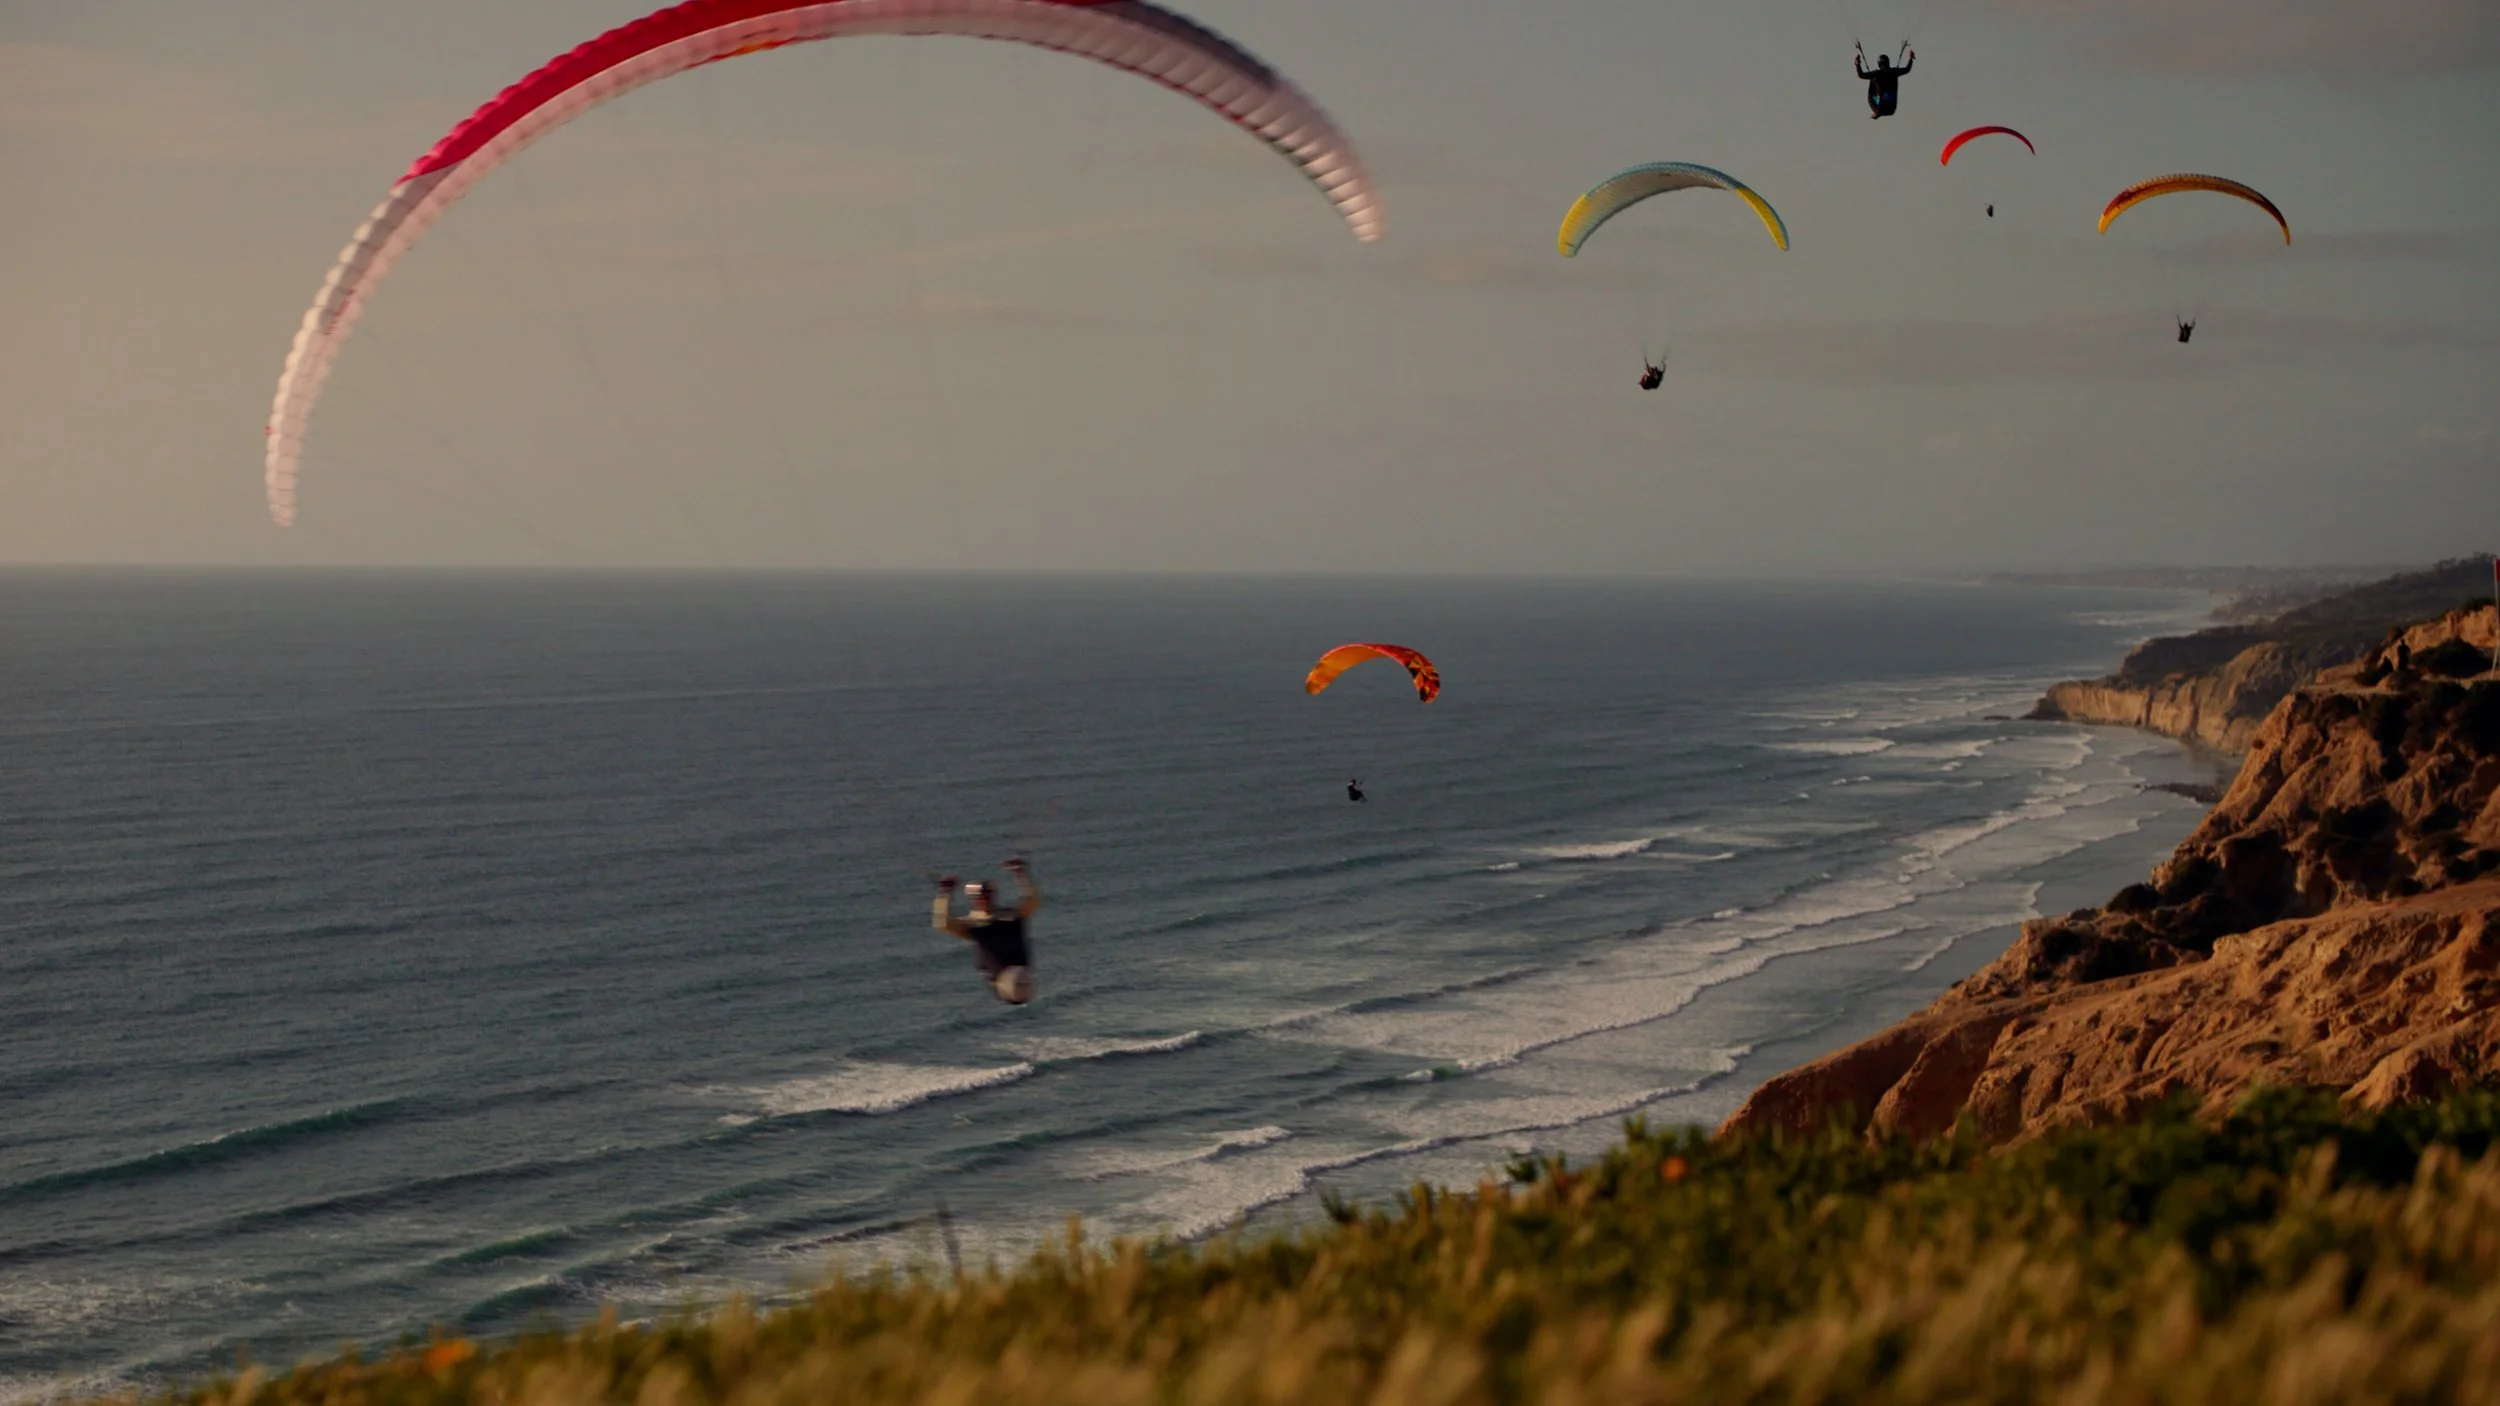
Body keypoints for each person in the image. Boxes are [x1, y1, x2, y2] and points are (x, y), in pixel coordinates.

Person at [932, 857, 1041, 1004]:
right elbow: (942, 923)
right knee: (1017, 976)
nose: (984, 898)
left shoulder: (1012, 916)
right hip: (1003, 982)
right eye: (980, 896)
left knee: (1019, 976)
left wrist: (1021, 874)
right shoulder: (971, 924)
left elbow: (1032, 900)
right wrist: (944, 894)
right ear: (974, 899)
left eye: (987, 894)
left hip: (1022, 979)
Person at [1856, 44, 1913, 119]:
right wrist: (1910, 59)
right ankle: (1879, 108)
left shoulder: (1876, 74)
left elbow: (1861, 75)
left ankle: (1876, 111)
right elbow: (1907, 69)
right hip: (1891, 109)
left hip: (1879, 108)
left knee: (1873, 81)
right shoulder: (1894, 72)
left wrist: (1857, 64)